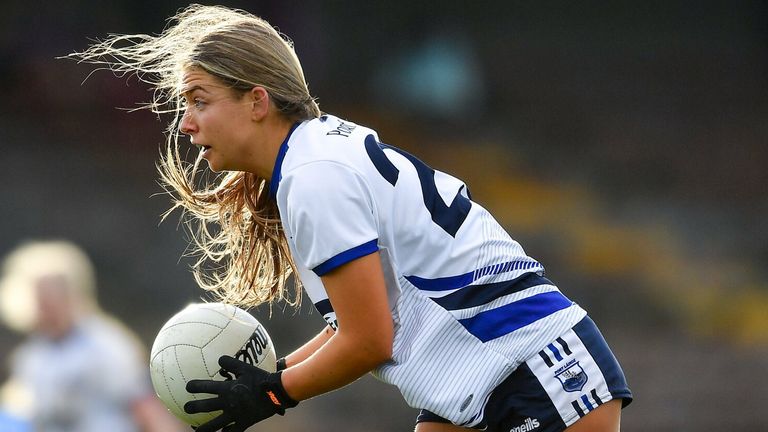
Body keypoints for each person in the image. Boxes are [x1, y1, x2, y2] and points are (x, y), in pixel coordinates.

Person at [70, 5, 632, 431]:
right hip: (482, 379)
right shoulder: (314, 157)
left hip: (532, 370)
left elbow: (370, 340)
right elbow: (358, 324)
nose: (186, 124)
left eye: (199, 100)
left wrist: (271, 395)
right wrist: (273, 374)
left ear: (257, 101)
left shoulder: (314, 178)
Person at [0, 240, 186, 432]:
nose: (46, 303)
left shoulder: (106, 345)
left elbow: (145, 406)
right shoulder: (31, 358)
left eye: (53, 292)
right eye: (41, 295)